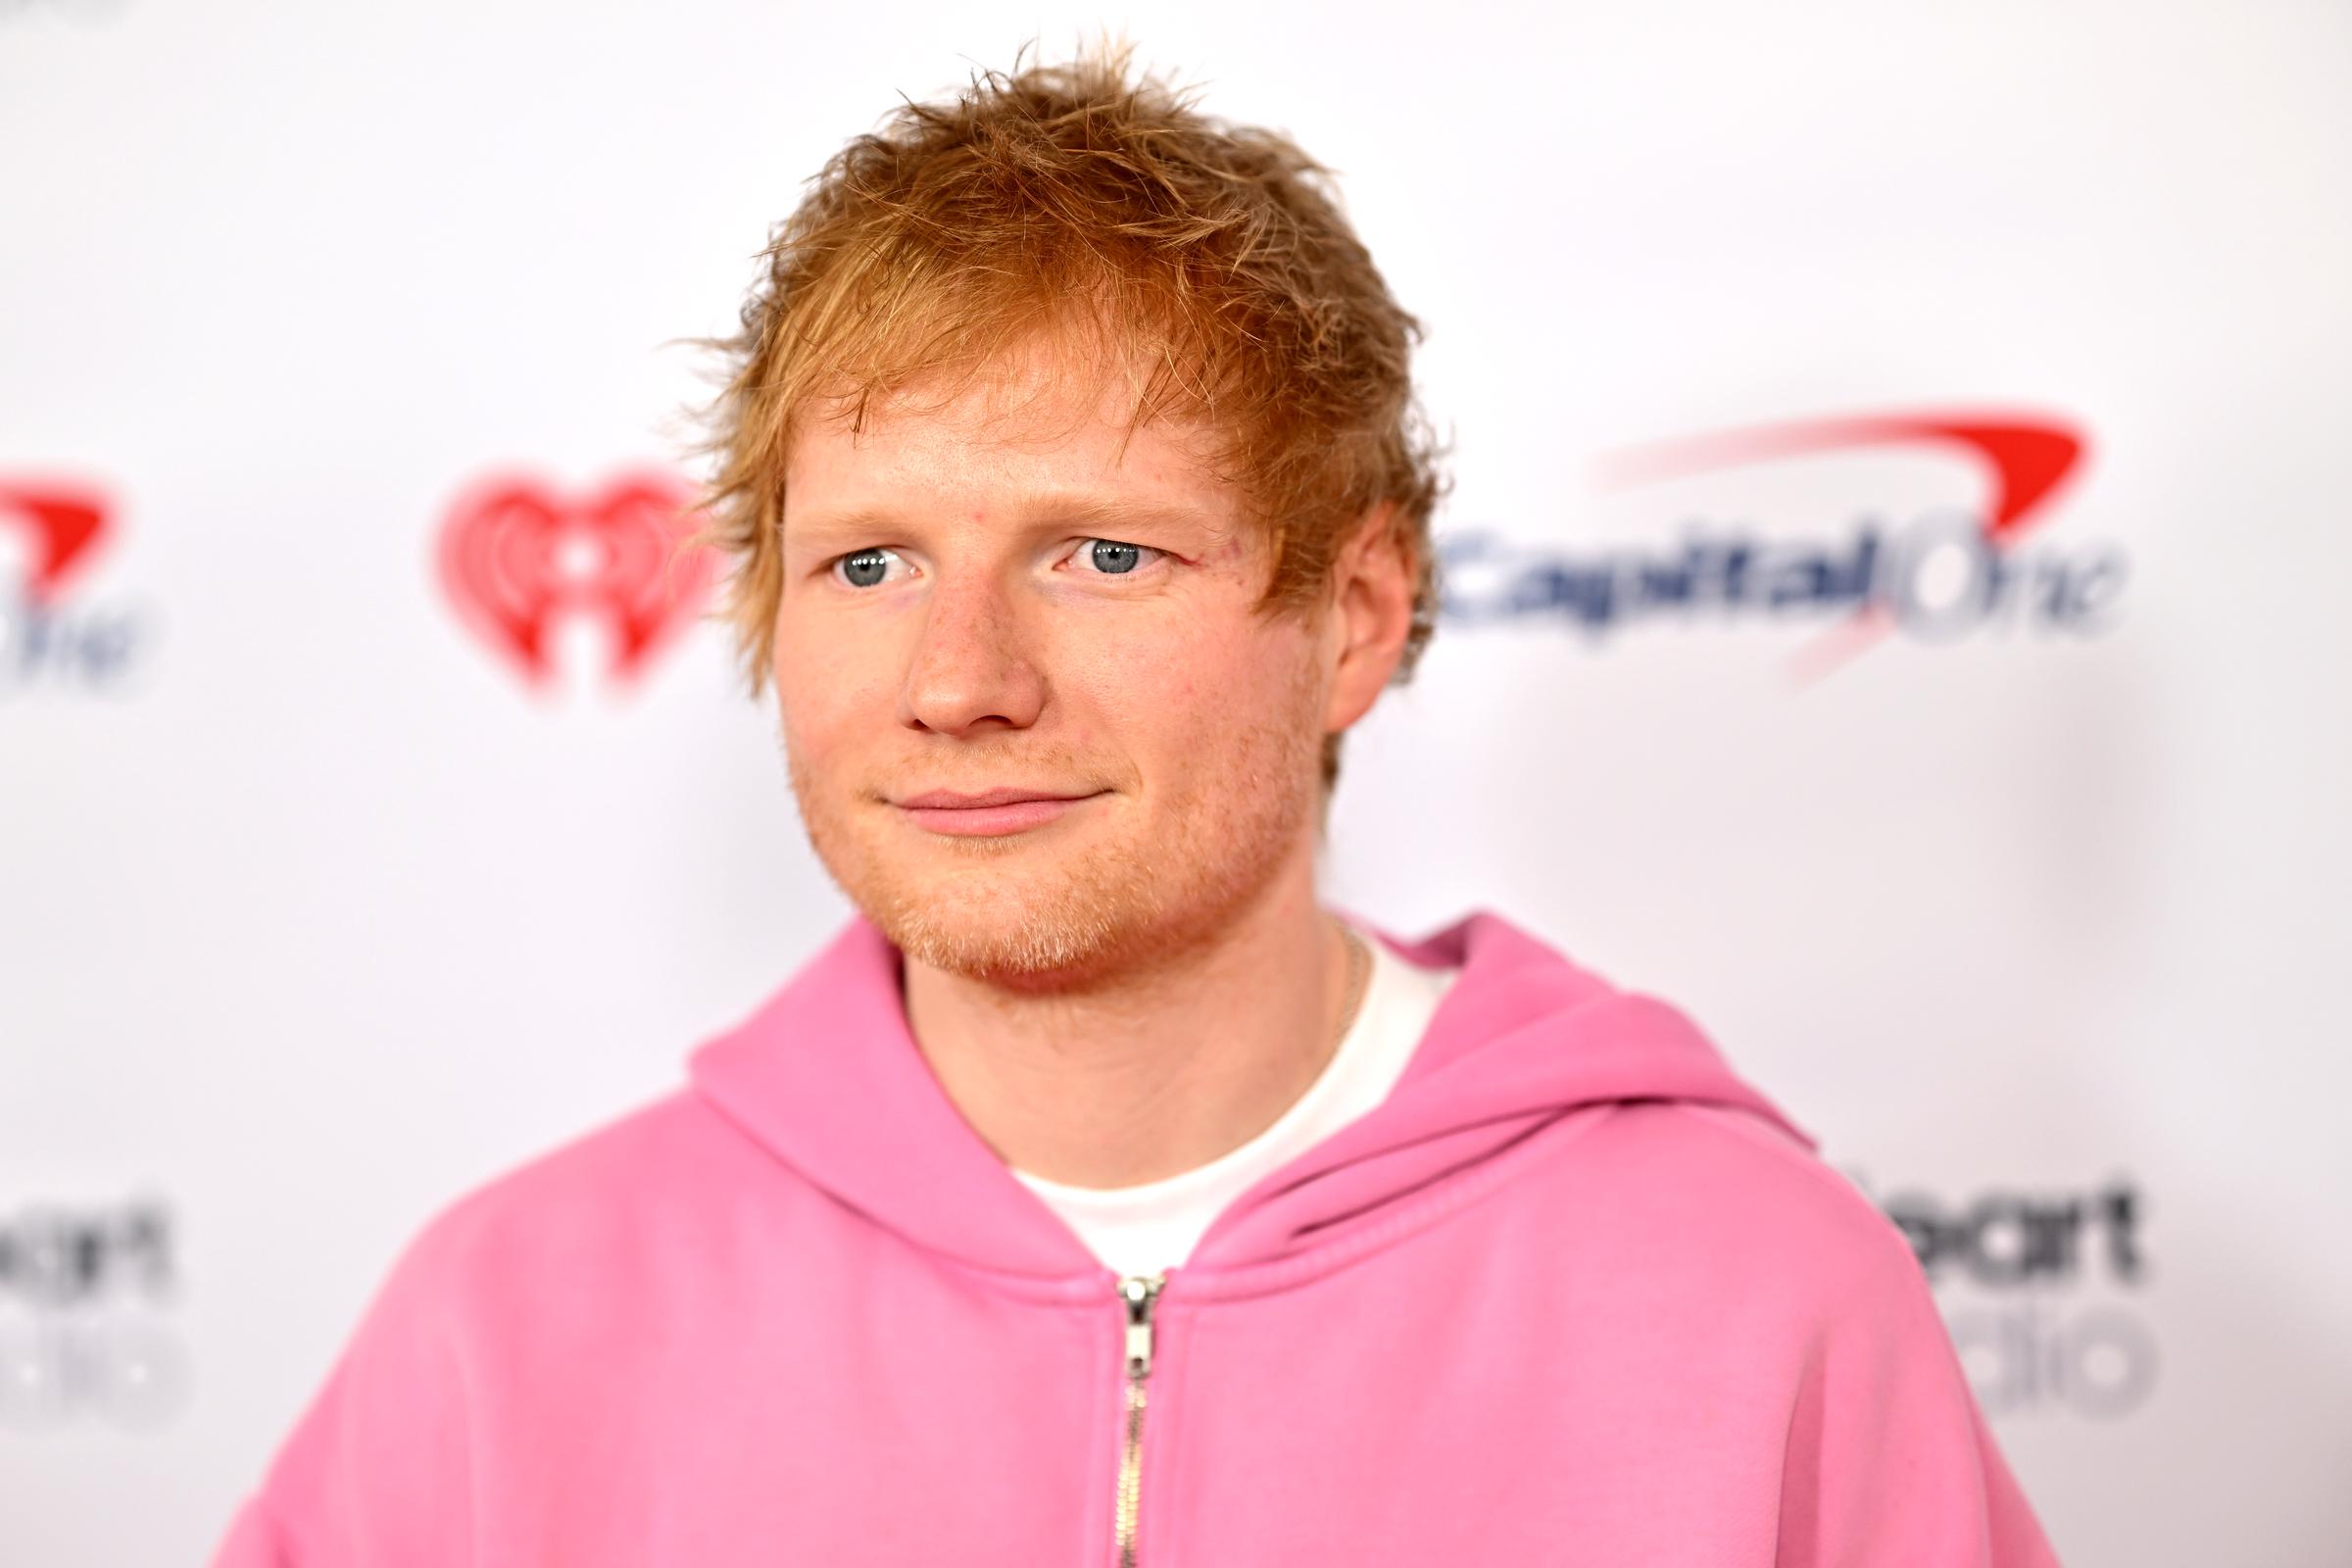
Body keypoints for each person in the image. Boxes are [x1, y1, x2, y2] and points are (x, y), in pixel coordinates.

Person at [208, 41, 2063, 1567]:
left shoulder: (1753, 1298)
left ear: (1352, 617)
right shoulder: (508, 1328)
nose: (959, 679)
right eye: (868, 565)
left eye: (1098, 554)